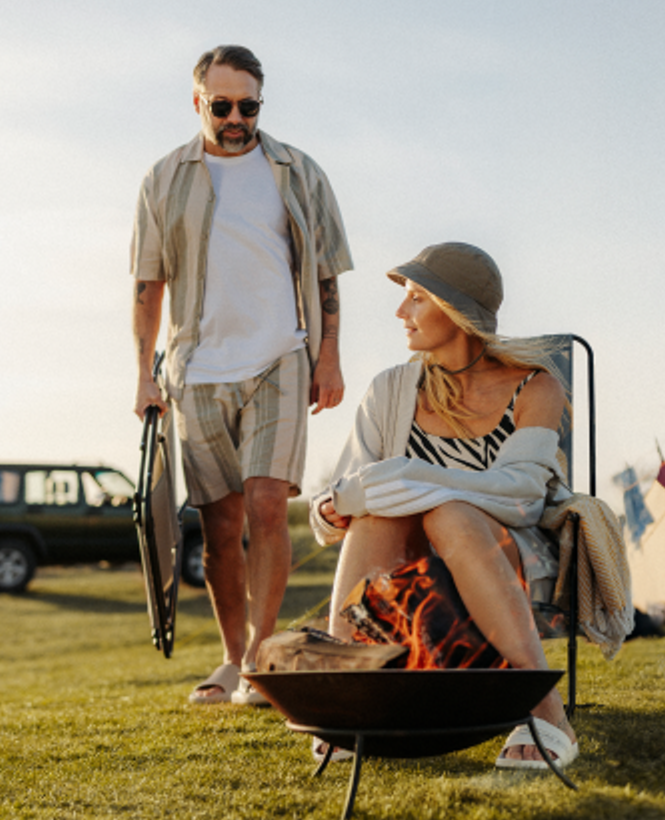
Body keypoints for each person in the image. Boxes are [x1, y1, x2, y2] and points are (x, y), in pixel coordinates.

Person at [132, 45, 353, 707]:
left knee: (266, 505)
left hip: (280, 357)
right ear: (197, 101)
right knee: (220, 524)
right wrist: (143, 375)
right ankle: (230, 659)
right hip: (196, 369)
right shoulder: (164, 179)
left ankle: (263, 656)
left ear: (261, 102)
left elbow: (326, 274)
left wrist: (329, 355)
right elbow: (148, 285)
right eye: (221, 106)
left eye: (248, 106)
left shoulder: (298, 172)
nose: (235, 119)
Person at [310, 242, 578, 769]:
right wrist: (330, 510)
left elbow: (521, 495)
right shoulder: (391, 390)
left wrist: (410, 478)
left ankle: (547, 710)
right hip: (413, 563)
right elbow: (341, 497)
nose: (399, 312)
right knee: (376, 517)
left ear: (455, 310)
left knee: (449, 514)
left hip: (510, 551)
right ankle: (349, 697)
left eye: (415, 299)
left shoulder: (535, 386)